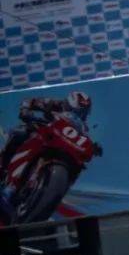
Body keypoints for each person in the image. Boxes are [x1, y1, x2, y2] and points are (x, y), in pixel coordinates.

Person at [0, 92, 93, 220]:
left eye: (83, 111)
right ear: (69, 104)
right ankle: (3, 169)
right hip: (42, 129)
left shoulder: (82, 127)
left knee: (78, 165)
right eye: (79, 110)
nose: (81, 114)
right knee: (19, 133)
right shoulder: (54, 104)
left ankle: (48, 194)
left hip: (61, 145)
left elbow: (83, 139)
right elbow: (30, 101)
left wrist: (95, 148)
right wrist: (25, 110)